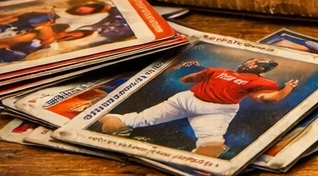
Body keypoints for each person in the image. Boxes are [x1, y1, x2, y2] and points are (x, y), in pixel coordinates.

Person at [98, 57, 299, 158]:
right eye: (253, 60)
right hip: (188, 98)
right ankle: (119, 121)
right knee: (147, 116)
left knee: (210, 142)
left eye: (258, 64)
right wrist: (188, 77)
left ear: (262, 70)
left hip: (217, 110)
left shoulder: (256, 81)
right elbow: (194, 77)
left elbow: (267, 98)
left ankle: (200, 158)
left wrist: (286, 89)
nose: (253, 63)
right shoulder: (220, 70)